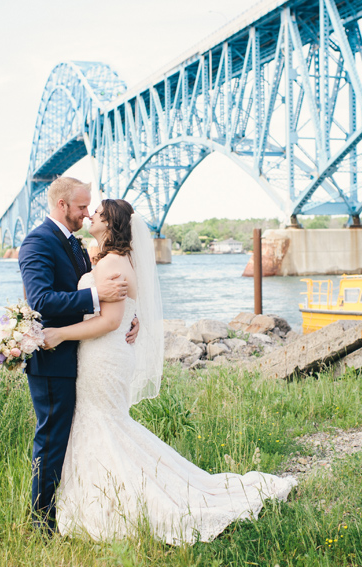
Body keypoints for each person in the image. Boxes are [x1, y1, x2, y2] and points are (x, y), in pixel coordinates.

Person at [41, 198, 296, 545]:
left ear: (110, 224)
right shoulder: (108, 258)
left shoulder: (113, 263)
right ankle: (99, 498)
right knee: (106, 425)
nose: (89, 215)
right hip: (103, 355)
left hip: (103, 356)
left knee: (103, 424)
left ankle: (117, 503)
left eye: (96, 213)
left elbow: (110, 321)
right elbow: (119, 312)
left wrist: (59, 333)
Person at [18, 176, 138, 535]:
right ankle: (40, 524)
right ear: (62, 206)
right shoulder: (38, 242)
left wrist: (131, 318)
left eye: (91, 209)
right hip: (52, 360)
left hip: (81, 357)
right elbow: (40, 300)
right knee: (52, 441)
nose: (87, 214)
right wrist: (95, 296)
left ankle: (85, 509)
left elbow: (116, 293)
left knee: (75, 440)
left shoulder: (75, 245)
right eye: (83, 207)